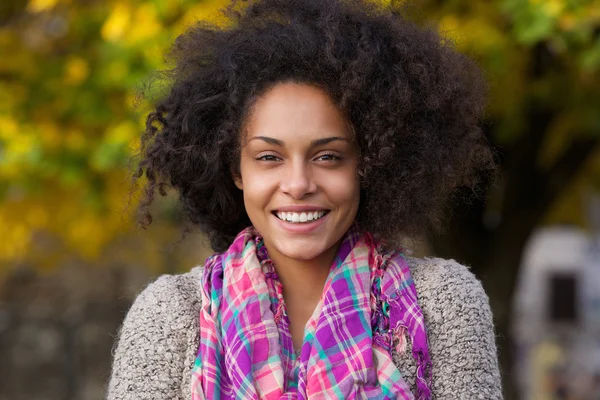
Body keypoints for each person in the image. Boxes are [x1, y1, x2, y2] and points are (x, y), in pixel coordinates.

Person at [106, 0, 502, 398]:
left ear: (370, 165)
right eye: (268, 157)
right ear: (236, 171)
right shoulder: (170, 315)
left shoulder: (443, 301)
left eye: (328, 157)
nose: (298, 184)